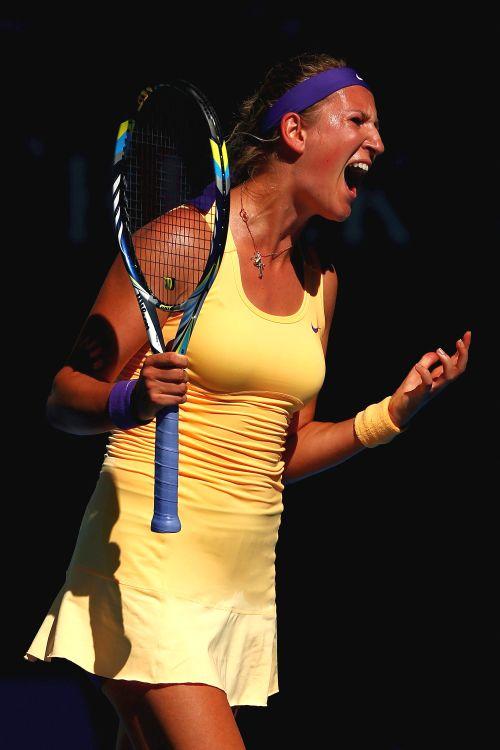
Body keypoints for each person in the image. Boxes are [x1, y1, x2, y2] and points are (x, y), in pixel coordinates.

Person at [24, 52, 471, 750]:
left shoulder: (322, 283)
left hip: (237, 586)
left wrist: (392, 413)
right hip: (147, 565)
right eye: (358, 121)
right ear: (295, 132)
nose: (377, 143)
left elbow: (281, 454)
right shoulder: (180, 239)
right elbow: (62, 396)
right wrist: (128, 401)